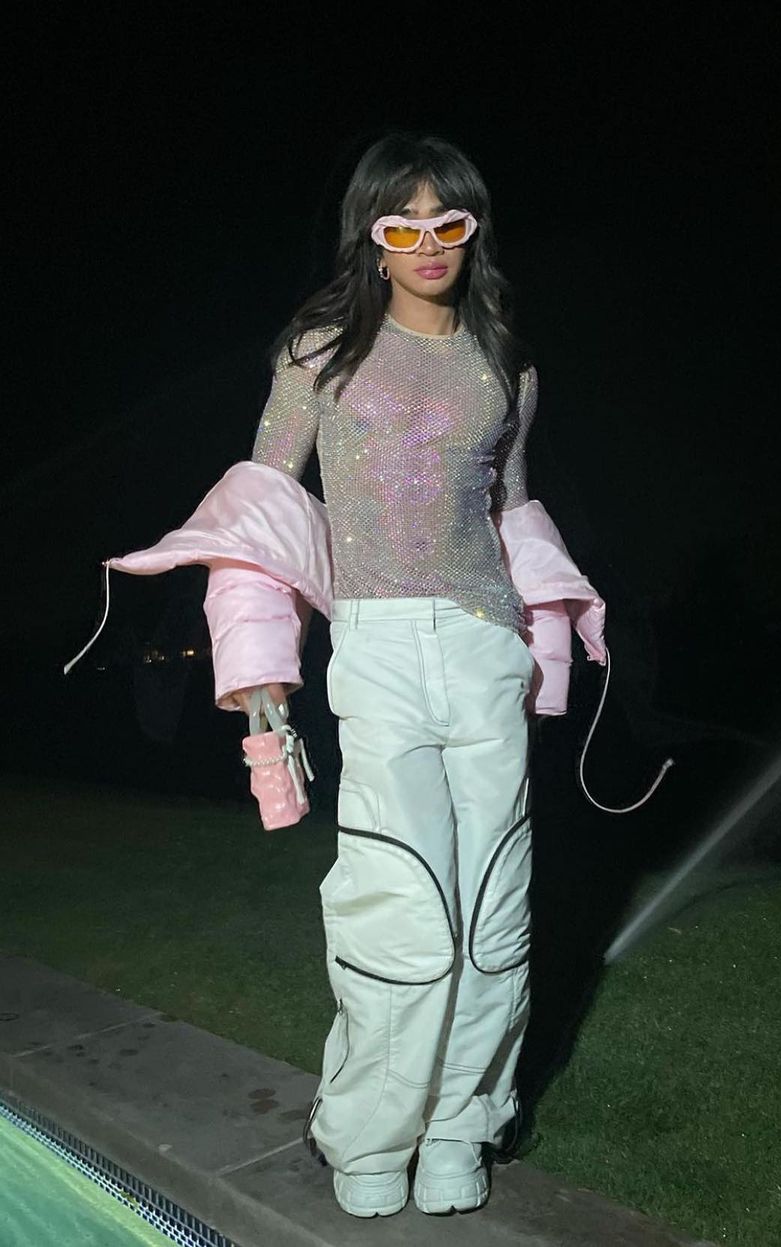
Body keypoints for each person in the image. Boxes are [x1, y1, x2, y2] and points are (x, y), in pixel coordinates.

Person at [64, 129, 611, 1219]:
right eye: (402, 224)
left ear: (474, 230)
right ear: (371, 234)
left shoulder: (504, 360)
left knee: (495, 904)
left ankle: (459, 1126)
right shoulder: (321, 349)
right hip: (376, 644)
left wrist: (545, 659)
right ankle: (369, 1136)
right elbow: (264, 505)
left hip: (487, 649)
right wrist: (258, 679)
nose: (427, 243)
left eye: (448, 222)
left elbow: (514, 515)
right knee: (395, 899)